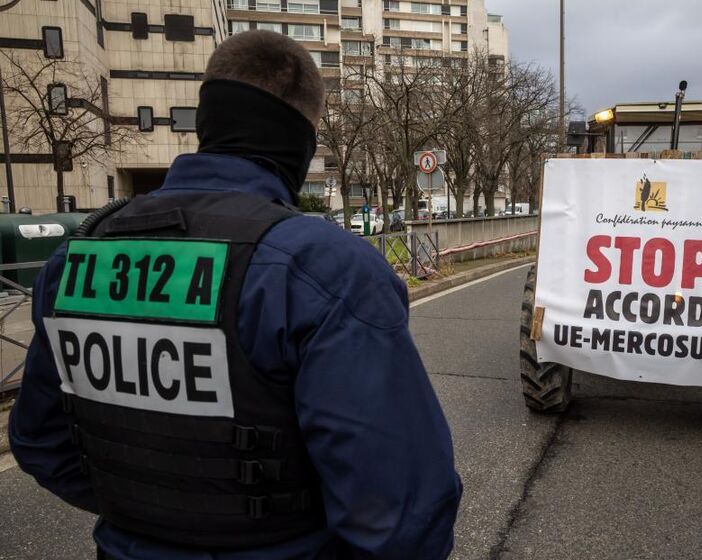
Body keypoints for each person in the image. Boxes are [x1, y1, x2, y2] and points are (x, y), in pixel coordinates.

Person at [8, 30, 461, 559]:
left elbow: (40, 443)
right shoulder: (322, 267)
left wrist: (154, 517)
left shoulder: (77, 258)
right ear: (303, 135)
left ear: (207, 121)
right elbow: (401, 513)